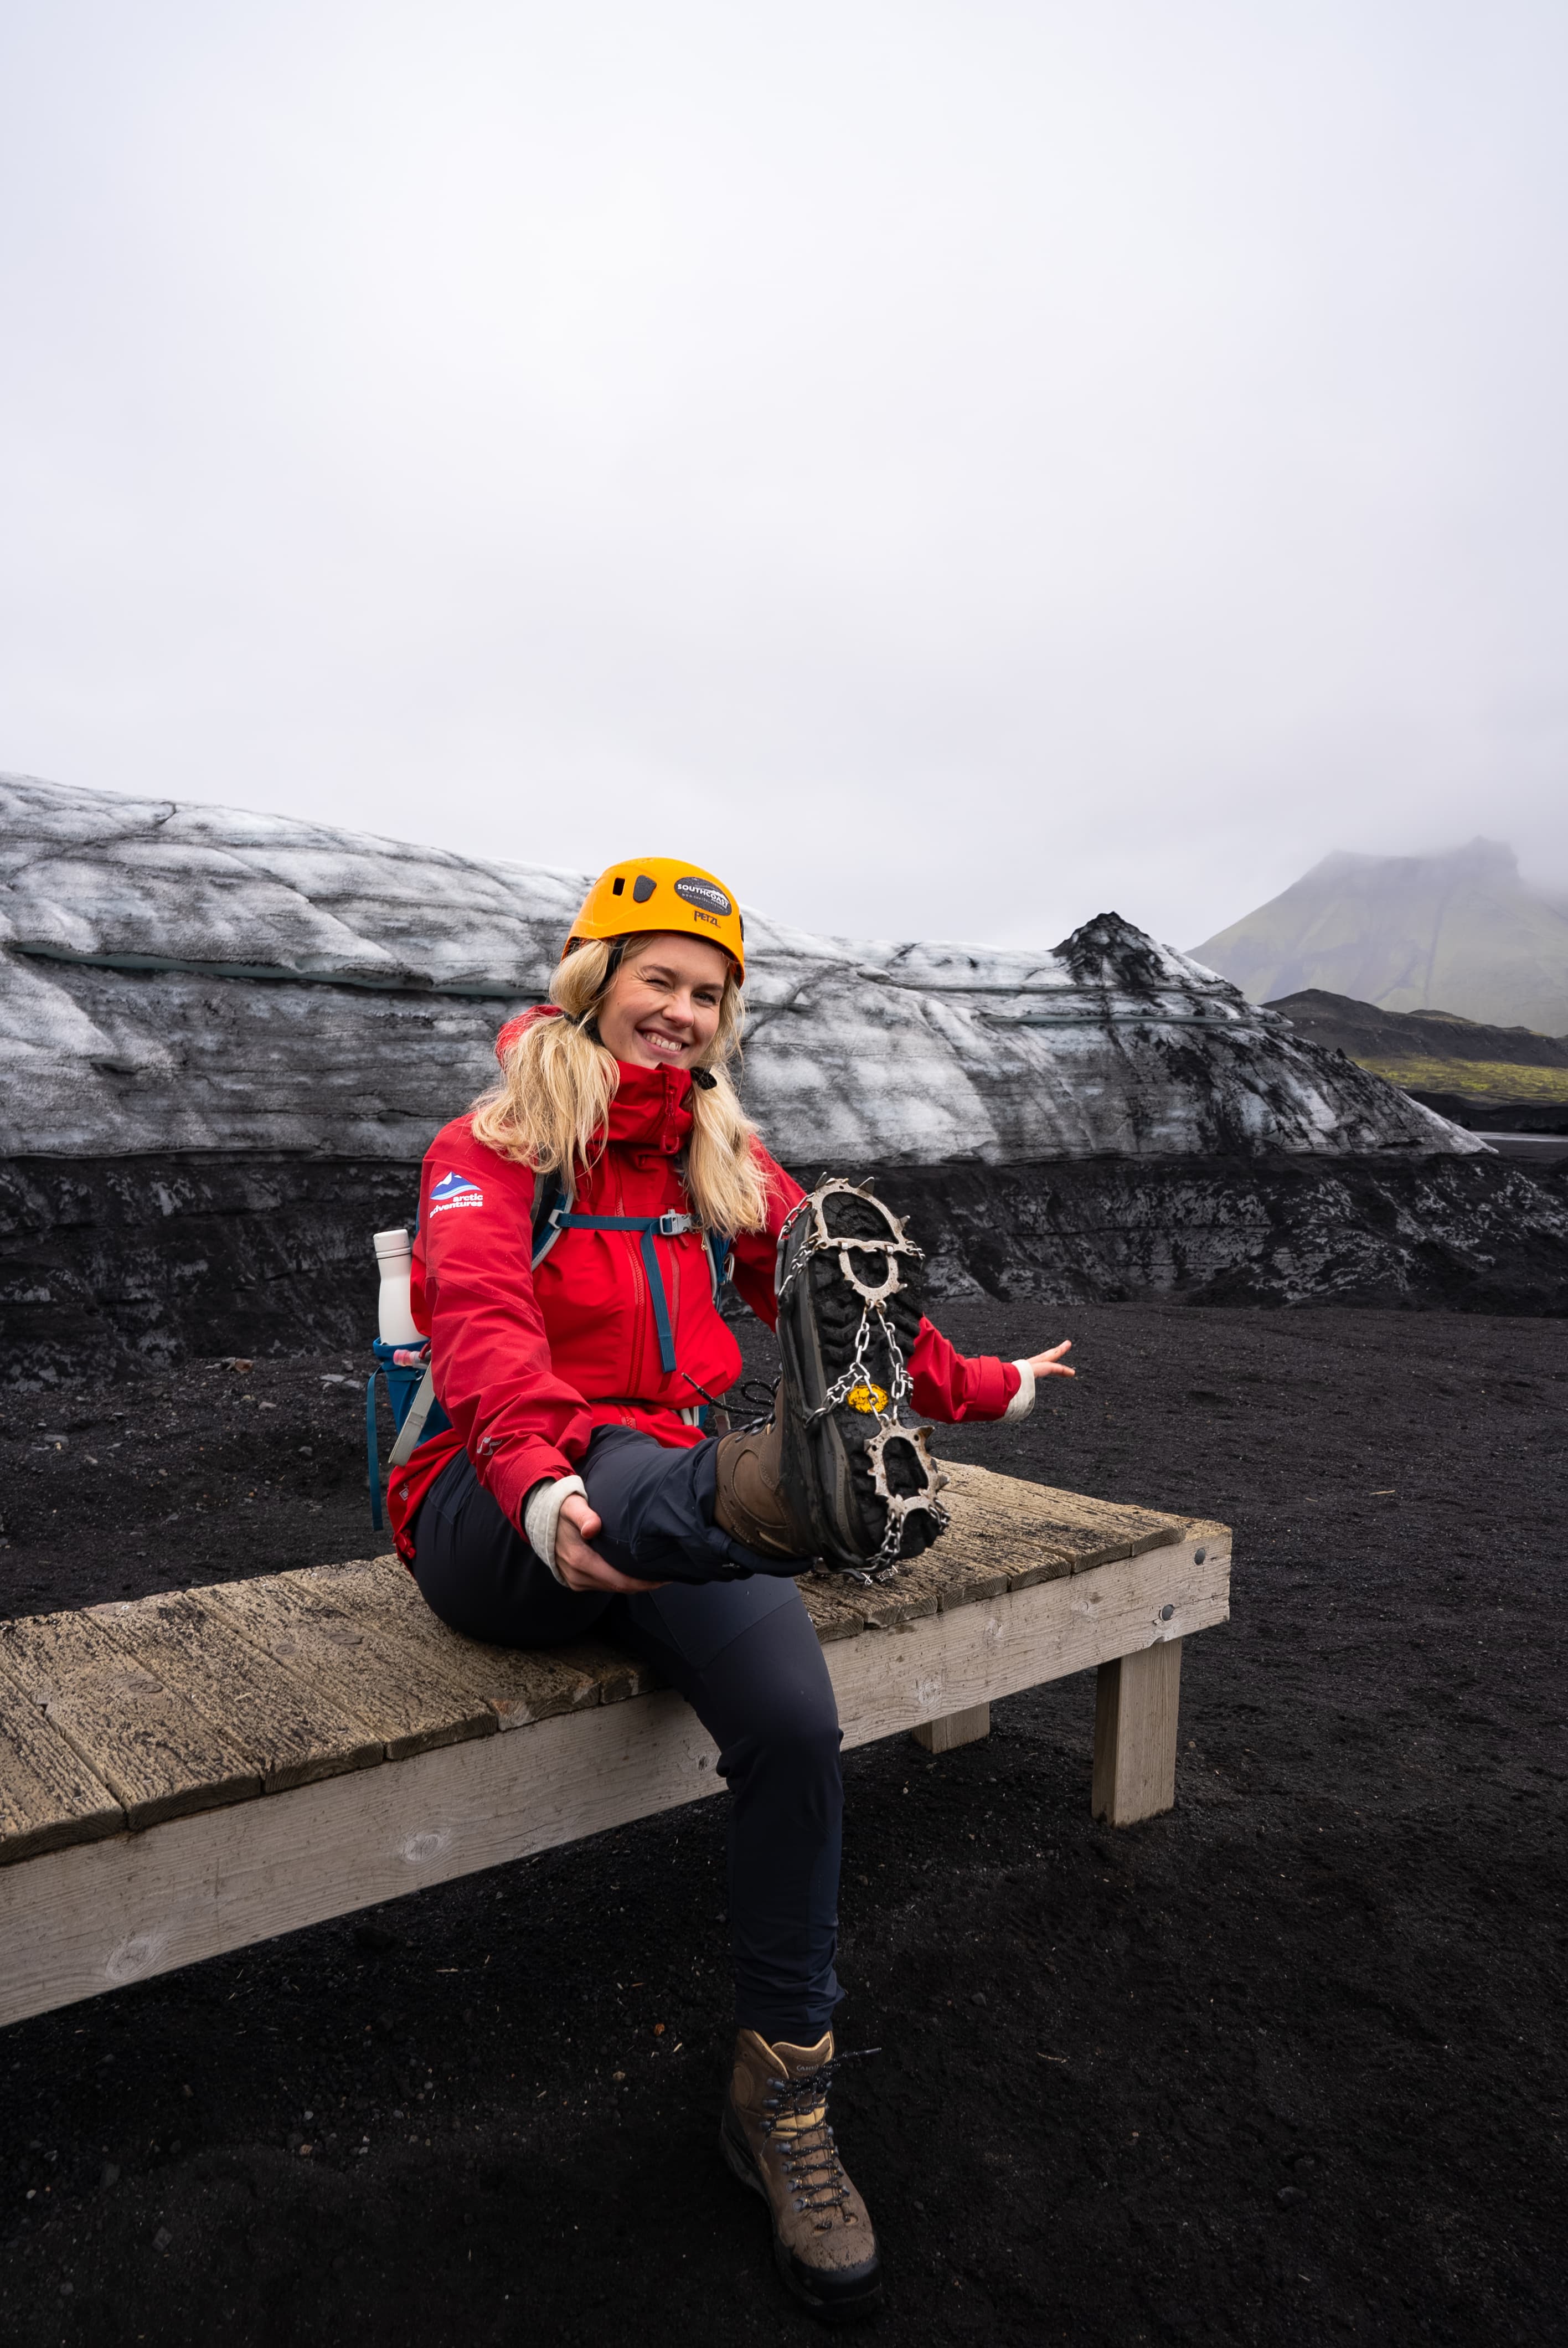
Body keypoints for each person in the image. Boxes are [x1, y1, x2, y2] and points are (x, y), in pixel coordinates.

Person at [385, 856, 1075, 2323]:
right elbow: (485, 1338)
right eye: (661, 981)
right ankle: (774, 1496)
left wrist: (990, 1389)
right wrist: (542, 1486)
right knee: (672, 1464)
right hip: (494, 1510)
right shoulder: (488, 1147)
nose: (685, 1013)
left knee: (793, 1729)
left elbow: (853, 1324)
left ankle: (783, 2098)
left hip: (668, 1523)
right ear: (597, 980)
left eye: (710, 995)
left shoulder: (724, 1166)